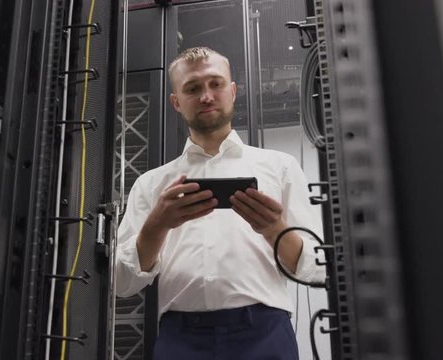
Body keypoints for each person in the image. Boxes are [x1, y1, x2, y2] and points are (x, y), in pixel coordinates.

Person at [115, 46, 325, 360]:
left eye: (216, 84)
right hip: (180, 338)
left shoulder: (280, 168)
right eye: (193, 88)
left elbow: (317, 268)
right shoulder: (152, 184)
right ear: (176, 101)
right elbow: (120, 283)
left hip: (265, 332)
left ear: (233, 90)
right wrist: (156, 226)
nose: (207, 96)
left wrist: (275, 229)